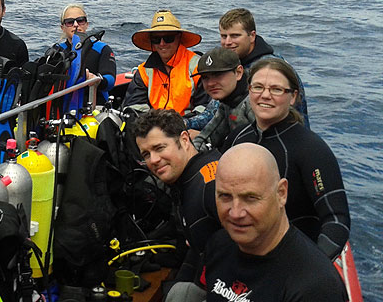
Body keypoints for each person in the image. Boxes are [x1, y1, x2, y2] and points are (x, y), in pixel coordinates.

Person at [223, 58, 349, 260]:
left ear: (293, 97)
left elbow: (337, 220)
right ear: (249, 91)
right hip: (243, 254)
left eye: (276, 89)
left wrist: (312, 267)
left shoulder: (311, 149)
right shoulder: (237, 139)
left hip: (293, 259)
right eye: (258, 87)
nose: (265, 95)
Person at [204, 143, 347, 301]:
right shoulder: (218, 245)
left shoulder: (315, 287)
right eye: (225, 196)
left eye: (250, 198)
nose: (236, 212)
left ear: (281, 194)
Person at [133, 109, 221, 298]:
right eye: (146, 154)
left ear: (184, 139)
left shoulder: (210, 187)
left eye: (159, 148)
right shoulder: (189, 180)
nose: (154, 160)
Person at [219, 8, 309, 127]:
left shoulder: (267, 68)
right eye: (224, 36)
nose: (228, 42)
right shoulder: (238, 64)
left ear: (252, 36)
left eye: (235, 36)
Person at [123, 10, 209, 122]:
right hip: (151, 130)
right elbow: (133, 106)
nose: (162, 44)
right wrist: (154, 127)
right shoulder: (144, 71)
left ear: (179, 38)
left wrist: (180, 125)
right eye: (156, 39)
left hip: (187, 129)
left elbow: (206, 107)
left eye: (168, 38)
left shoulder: (198, 66)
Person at [191, 47, 254, 152]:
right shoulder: (227, 102)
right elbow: (207, 136)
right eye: (205, 77)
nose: (211, 83)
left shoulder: (254, 103)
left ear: (238, 73)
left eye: (218, 75)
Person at [53, 3, 116, 104]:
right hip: (63, 105)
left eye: (80, 20)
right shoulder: (57, 51)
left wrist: (96, 79)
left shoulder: (102, 49)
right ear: (63, 27)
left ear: (87, 24)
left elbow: (110, 80)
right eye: (70, 22)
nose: (76, 25)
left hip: (95, 104)